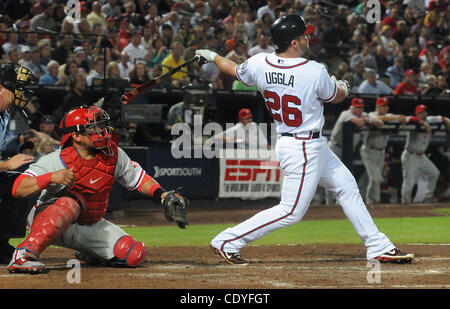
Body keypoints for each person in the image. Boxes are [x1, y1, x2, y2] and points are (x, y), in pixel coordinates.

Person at [196, 14, 414, 265]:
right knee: (291, 211)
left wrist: (212, 55)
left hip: (304, 143)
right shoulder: (313, 70)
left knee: (347, 186)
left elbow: (233, 69)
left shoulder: (260, 63)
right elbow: (337, 96)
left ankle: (378, 244)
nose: (308, 37)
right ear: (294, 43)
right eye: (304, 34)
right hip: (303, 146)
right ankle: (227, 241)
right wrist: (343, 84)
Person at [7, 106, 188, 273]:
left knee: (134, 254)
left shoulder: (112, 154)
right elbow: (18, 188)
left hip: (91, 223)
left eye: (101, 126)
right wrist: (51, 178)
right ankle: (23, 254)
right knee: (70, 203)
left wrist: (163, 195)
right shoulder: (55, 160)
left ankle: (89, 251)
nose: (101, 131)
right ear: (76, 136)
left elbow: (139, 180)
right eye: (93, 128)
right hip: (51, 219)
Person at [0, 64, 36, 264]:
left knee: (21, 185)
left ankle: (0, 243)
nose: (23, 94)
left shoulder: (6, 114)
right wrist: (5, 165)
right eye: (18, 89)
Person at [325, 97, 381, 205]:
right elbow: (359, 123)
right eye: (357, 108)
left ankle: (339, 201)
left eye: (361, 108)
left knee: (345, 175)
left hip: (347, 151)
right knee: (331, 176)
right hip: (335, 147)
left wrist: (369, 119)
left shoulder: (363, 115)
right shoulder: (345, 114)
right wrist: (368, 120)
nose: (359, 110)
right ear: (352, 107)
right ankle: (329, 202)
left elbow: (379, 122)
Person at [360, 97, 410, 205]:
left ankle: (369, 202)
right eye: (382, 106)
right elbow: (379, 118)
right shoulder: (371, 114)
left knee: (375, 179)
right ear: (377, 107)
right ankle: (376, 201)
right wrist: (396, 117)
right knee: (375, 179)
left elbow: (403, 118)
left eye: (386, 106)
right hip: (369, 150)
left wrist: (401, 118)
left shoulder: (389, 116)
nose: (384, 108)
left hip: (381, 151)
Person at [401, 104, 450, 204]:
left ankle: (427, 197)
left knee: (434, 173)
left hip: (421, 156)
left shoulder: (430, 119)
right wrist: (422, 122)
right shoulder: (414, 122)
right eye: (420, 113)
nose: (423, 114)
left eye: (424, 112)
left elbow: (444, 119)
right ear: (417, 114)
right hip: (410, 155)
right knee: (409, 182)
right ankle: (405, 204)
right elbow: (407, 118)